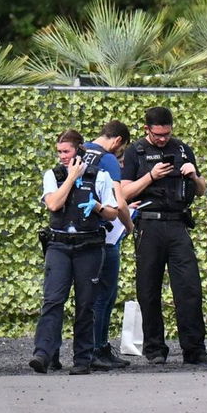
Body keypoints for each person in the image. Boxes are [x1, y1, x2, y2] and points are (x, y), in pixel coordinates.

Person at [119, 106, 207, 364]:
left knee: (189, 288)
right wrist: (151, 176)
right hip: (149, 225)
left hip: (177, 224)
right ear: (147, 129)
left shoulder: (181, 149)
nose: (162, 139)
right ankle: (155, 349)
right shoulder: (135, 152)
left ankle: (195, 349)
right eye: (158, 135)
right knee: (148, 289)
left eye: (166, 134)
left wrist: (193, 175)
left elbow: (202, 190)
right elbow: (124, 193)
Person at [31, 129, 121, 375]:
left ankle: (83, 358)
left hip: (89, 245)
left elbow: (113, 211)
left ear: (78, 150)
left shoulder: (99, 176)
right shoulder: (54, 175)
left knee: (85, 303)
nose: (61, 156)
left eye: (66, 151)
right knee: (53, 300)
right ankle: (43, 354)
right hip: (59, 244)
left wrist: (99, 206)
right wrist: (71, 177)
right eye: (59, 151)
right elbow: (53, 204)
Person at [84, 120, 133, 369]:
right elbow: (120, 201)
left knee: (89, 295)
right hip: (105, 235)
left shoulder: (82, 149)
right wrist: (130, 224)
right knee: (106, 293)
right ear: (117, 141)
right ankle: (98, 349)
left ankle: (88, 348)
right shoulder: (108, 158)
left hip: (82, 233)